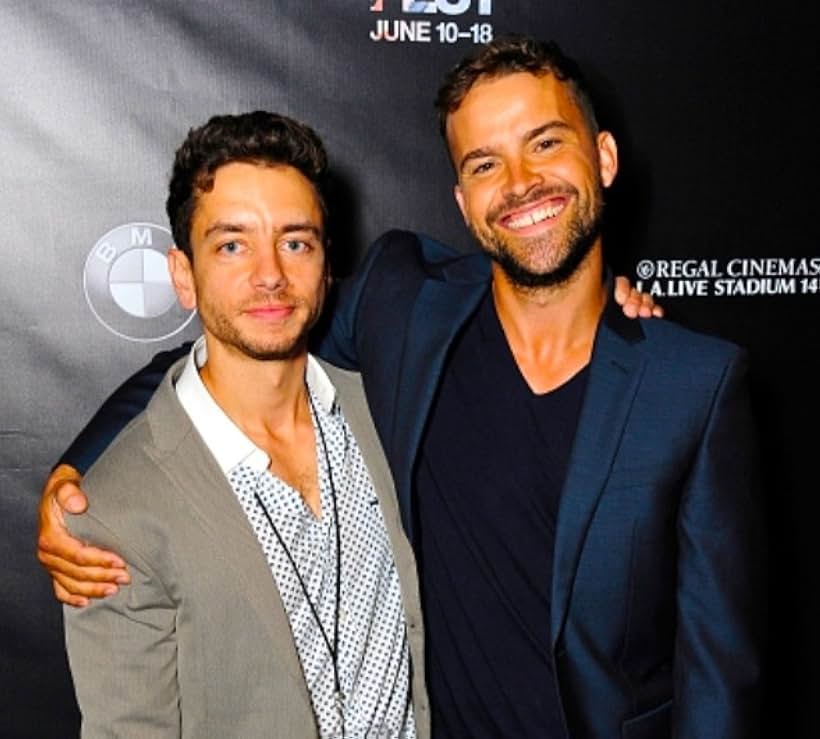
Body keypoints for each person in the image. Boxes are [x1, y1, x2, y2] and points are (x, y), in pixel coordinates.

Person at [36, 35, 764, 738]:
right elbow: (247, 328)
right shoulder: (405, 307)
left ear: (603, 157)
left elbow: (719, 672)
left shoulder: (691, 383)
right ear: (460, 196)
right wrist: (77, 469)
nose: (519, 184)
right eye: (484, 163)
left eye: (545, 143)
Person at [56, 111, 428, 738]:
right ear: (183, 275)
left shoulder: (393, 413)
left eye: (295, 241)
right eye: (232, 244)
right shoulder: (117, 509)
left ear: (325, 262)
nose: (270, 275)